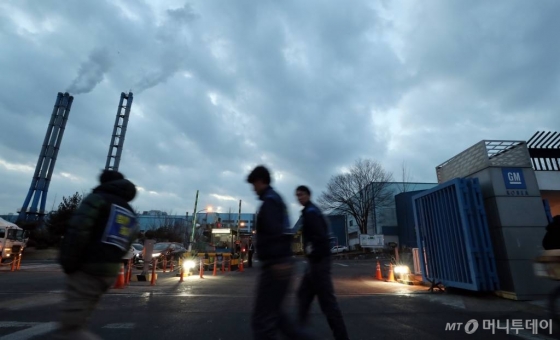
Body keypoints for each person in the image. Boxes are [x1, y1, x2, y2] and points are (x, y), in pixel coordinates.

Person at [55, 170, 139, 339]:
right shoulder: (129, 212)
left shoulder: (98, 200)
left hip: (87, 267)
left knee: (71, 328)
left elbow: (78, 231)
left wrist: (69, 262)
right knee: (79, 320)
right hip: (109, 271)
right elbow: (127, 243)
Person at [247, 165, 314, 340]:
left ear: (261, 181)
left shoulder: (270, 201)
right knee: (278, 318)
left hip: (274, 266)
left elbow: (275, 232)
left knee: (262, 321)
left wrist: (278, 261)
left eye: (254, 184)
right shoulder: (275, 199)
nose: (253, 189)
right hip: (279, 263)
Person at [295, 185, 349, 340]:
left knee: (327, 303)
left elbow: (320, 237)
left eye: (302, 194)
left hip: (319, 263)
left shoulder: (311, 212)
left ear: (308, 195)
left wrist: (313, 252)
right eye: (297, 195)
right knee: (303, 296)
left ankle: (342, 337)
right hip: (314, 263)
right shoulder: (309, 211)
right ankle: (299, 333)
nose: (299, 197)